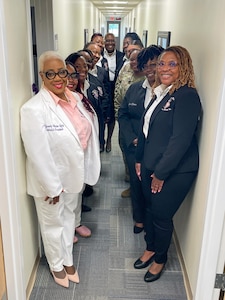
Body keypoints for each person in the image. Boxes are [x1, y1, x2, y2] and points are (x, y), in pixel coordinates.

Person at [20, 51, 101, 288]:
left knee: (67, 221)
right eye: (51, 73)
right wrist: (52, 187)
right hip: (50, 184)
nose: (58, 78)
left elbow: (85, 132)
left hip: (73, 176)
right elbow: (38, 154)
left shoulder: (74, 97)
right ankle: (56, 265)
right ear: (42, 76)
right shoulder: (33, 109)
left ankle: (67, 259)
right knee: (52, 224)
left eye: (62, 72)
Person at [133, 46, 202, 283]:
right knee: (150, 210)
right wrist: (141, 160)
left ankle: (160, 258)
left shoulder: (187, 96)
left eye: (172, 64)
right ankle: (150, 247)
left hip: (175, 170)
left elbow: (179, 140)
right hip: (152, 165)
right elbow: (147, 129)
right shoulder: (161, 92)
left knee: (161, 215)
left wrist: (160, 173)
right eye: (162, 63)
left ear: (183, 67)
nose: (164, 68)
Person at [118, 45, 163, 234]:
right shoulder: (135, 89)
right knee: (136, 184)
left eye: (155, 65)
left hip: (158, 151)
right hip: (135, 147)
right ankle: (139, 219)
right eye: (146, 66)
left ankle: (152, 219)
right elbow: (123, 114)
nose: (150, 70)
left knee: (153, 186)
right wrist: (133, 139)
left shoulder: (169, 93)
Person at [65, 61, 95, 243]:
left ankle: (75, 223)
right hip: (68, 159)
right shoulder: (58, 102)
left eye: (73, 75)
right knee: (68, 197)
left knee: (77, 192)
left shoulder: (76, 96)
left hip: (82, 154)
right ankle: (68, 229)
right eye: (65, 75)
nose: (70, 79)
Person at [114, 49, 145, 198]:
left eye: (137, 60)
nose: (134, 63)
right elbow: (117, 91)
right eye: (131, 59)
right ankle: (131, 181)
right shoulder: (125, 69)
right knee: (125, 150)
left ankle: (137, 188)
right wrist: (118, 116)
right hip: (125, 121)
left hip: (139, 127)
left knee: (138, 159)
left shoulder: (148, 79)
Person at [103, 32, 124, 152]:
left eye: (112, 41)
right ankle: (101, 138)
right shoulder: (100, 55)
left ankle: (109, 139)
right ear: (104, 42)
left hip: (115, 87)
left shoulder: (121, 56)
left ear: (115, 43)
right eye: (108, 41)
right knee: (104, 113)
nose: (110, 43)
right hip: (104, 87)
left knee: (112, 115)